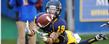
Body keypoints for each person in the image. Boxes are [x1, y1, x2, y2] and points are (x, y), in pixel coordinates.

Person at [34, 0, 108, 44]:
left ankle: (95, 38)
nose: (51, 12)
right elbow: (35, 27)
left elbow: (51, 40)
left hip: (65, 40)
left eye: (54, 10)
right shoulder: (41, 16)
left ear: (58, 11)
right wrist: (31, 32)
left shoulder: (60, 23)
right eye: (50, 9)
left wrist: (47, 39)